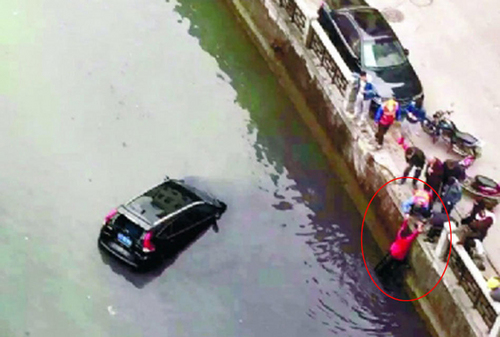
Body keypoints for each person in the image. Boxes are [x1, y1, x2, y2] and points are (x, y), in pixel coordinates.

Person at [375, 215, 425, 281]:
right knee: (394, 265)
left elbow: (403, 227)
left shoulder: (399, 235)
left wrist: (406, 220)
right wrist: (418, 229)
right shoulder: (407, 240)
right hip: (398, 256)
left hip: (392, 251)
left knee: (386, 263)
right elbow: (414, 234)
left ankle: (378, 271)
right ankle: (388, 275)